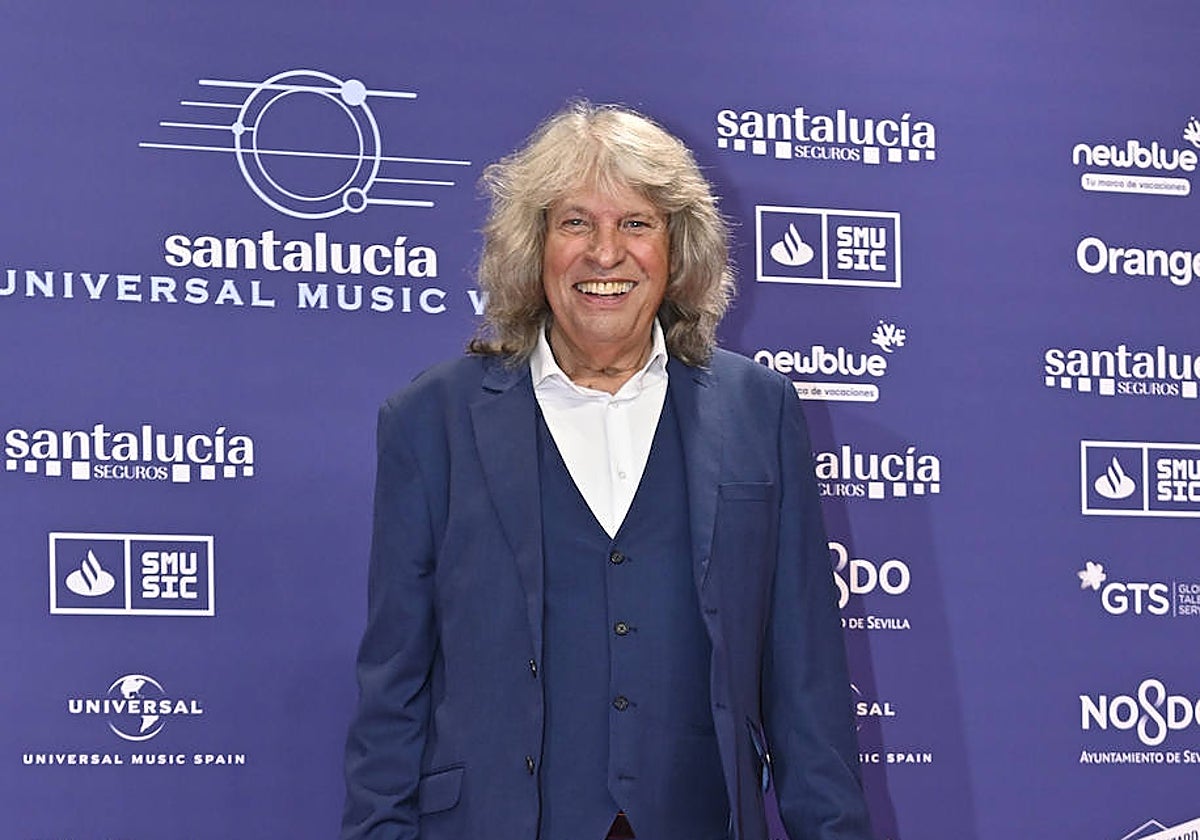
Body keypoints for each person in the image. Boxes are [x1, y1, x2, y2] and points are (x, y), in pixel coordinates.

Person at [342, 101, 872, 840]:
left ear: (677, 249)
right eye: (575, 223)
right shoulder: (430, 420)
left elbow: (805, 680)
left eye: (636, 223)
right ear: (534, 248)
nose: (605, 254)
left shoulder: (760, 409)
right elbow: (393, 685)